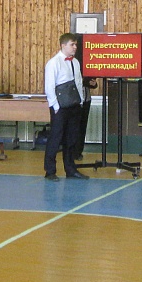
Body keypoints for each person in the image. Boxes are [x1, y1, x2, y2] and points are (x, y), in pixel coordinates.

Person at [43, 32, 87, 181]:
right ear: (63, 46)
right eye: (72, 45)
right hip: (60, 107)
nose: (75, 47)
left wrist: (80, 101)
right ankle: (50, 171)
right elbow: (49, 87)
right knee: (55, 138)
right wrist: (55, 107)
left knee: (71, 139)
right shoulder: (54, 63)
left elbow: (78, 83)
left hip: (74, 105)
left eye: (75, 45)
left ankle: (70, 169)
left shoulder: (76, 62)